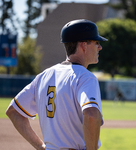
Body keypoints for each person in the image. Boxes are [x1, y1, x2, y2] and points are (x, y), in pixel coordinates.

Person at [6, 19, 108, 150]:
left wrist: (40, 146)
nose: (100, 47)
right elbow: (92, 115)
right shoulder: (85, 77)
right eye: (96, 42)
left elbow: (13, 111)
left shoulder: (43, 76)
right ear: (84, 45)